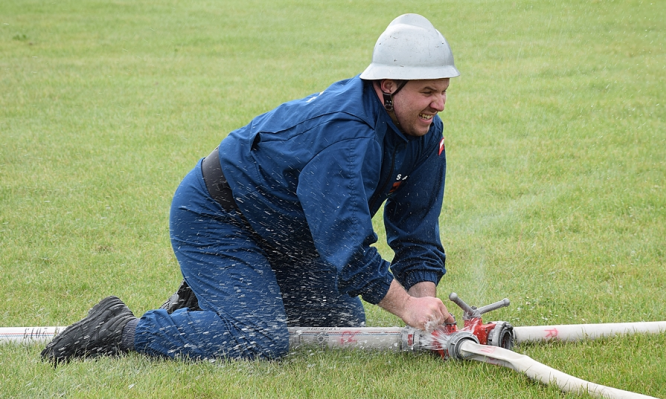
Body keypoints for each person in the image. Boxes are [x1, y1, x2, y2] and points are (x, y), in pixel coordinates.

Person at [42, 13, 459, 364]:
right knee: (260, 340)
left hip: (290, 235)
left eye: (442, 91)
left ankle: (204, 306)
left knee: (339, 322)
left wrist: (426, 306)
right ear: (387, 85)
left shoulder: (426, 133)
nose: (439, 104)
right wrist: (405, 306)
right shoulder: (345, 135)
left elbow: (416, 229)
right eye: (427, 92)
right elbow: (346, 246)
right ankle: (120, 329)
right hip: (219, 217)